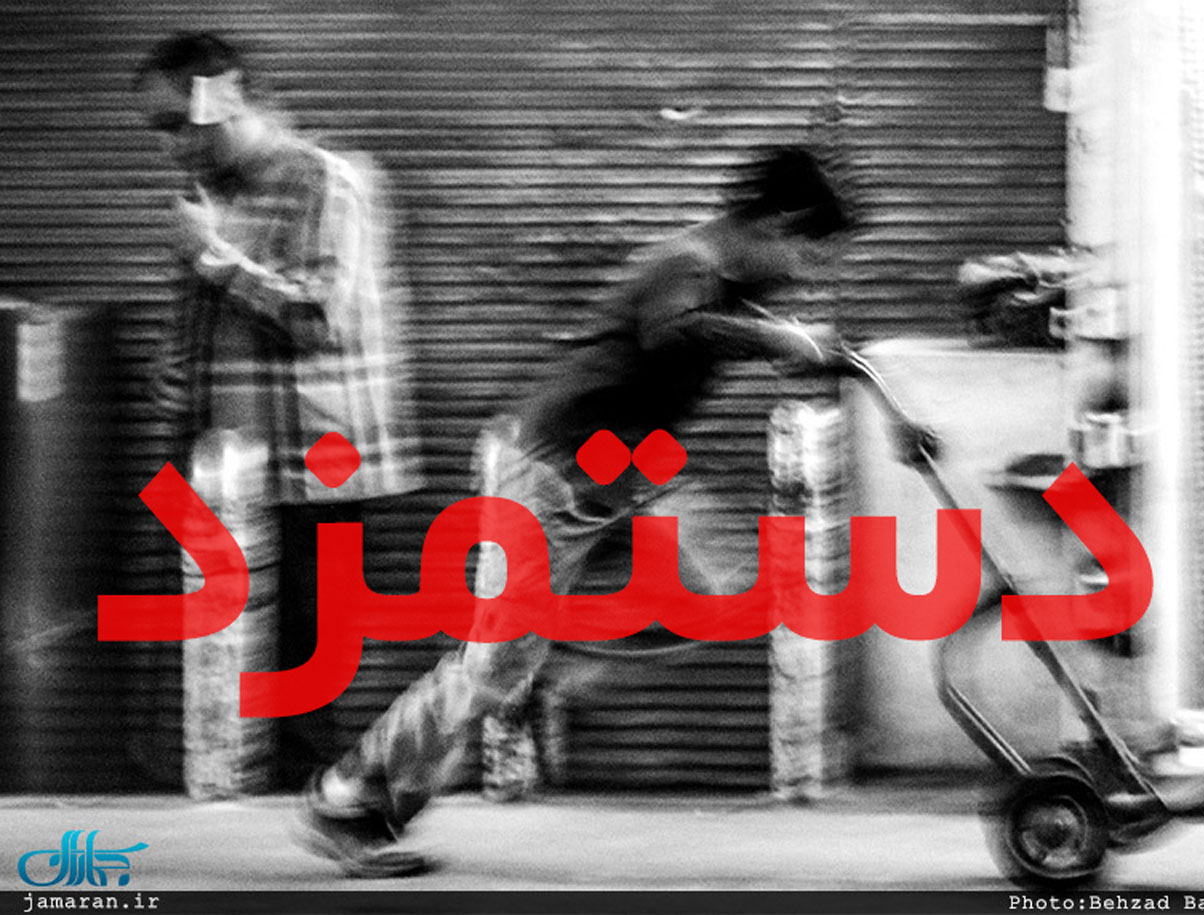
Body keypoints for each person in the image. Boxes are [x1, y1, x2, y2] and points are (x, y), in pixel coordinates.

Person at [296, 147, 934, 877]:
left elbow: (809, 347)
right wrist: (779, 337)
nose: (808, 276)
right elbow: (675, 330)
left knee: (720, 591)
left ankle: (549, 668)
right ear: (779, 222)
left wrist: (890, 406)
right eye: (810, 255)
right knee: (492, 667)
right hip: (548, 466)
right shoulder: (686, 262)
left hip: (623, 473)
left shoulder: (732, 284)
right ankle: (348, 797)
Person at [134, 33, 419, 783]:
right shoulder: (213, 195)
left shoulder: (326, 180)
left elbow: (323, 318)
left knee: (303, 668)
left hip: (312, 470)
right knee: (225, 657)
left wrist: (213, 256)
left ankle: (308, 808)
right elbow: (207, 322)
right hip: (230, 471)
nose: (169, 146)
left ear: (221, 98)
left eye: (175, 124)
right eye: (157, 130)